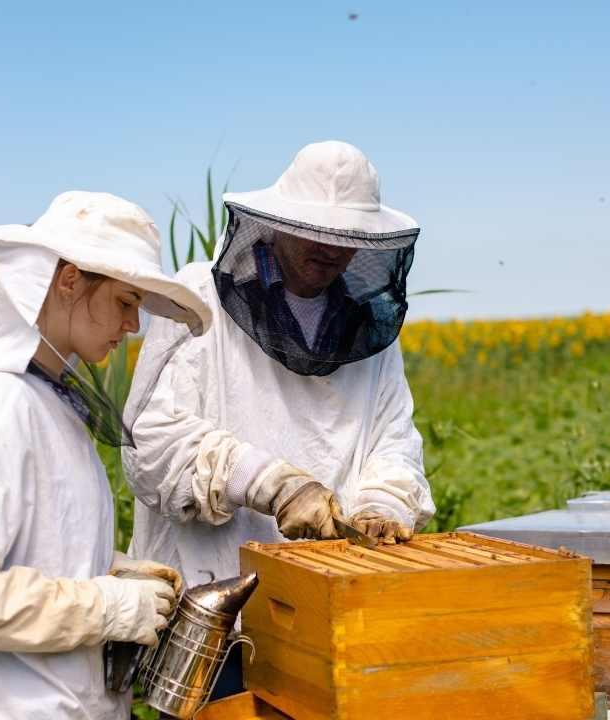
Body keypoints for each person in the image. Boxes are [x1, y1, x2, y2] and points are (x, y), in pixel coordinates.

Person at [121, 141, 435, 695]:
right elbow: (151, 447)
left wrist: (383, 504)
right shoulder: (199, 298)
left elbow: (394, 439)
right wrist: (272, 484)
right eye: (316, 229)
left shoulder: (368, 329)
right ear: (277, 223)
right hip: (212, 613)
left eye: (348, 236)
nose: (331, 247)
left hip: (330, 610)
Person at [0, 191, 212, 719]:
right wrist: (103, 606)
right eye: (125, 301)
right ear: (68, 281)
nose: (132, 326)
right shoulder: (1, 403)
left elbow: (35, 549)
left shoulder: (51, 400)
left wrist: (115, 572)